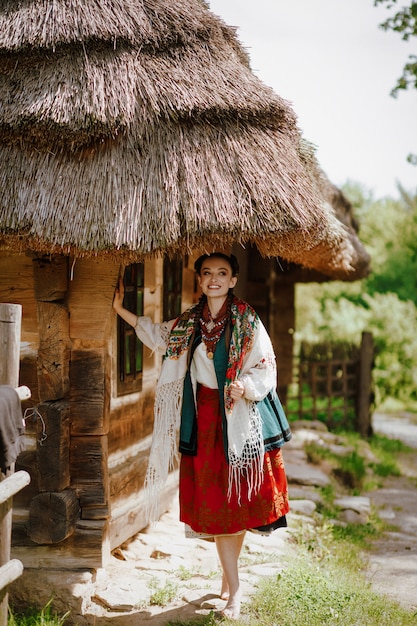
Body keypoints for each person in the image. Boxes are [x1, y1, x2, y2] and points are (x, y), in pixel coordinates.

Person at [113, 252, 291, 620]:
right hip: (206, 418)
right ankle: (232, 585)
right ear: (199, 280)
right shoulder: (189, 322)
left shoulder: (247, 320)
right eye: (207, 273)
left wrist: (246, 386)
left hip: (240, 417)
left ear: (233, 280)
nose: (214, 279)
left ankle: (233, 590)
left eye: (221, 273)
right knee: (220, 505)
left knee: (236, 504)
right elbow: (158, 335)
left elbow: (266, 364)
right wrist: (120, 309)